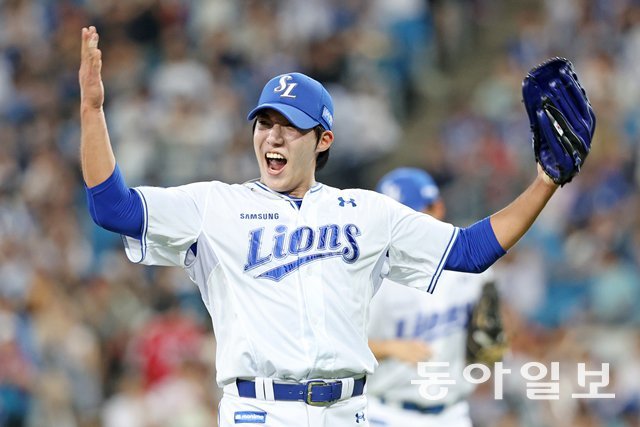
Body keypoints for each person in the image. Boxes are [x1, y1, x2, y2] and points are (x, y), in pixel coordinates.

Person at [79, 24, 563, 427]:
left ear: (322, 138)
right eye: (264, 123)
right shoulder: (214, 206)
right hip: (259, 411)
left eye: (288, 125)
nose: (273, 135)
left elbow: (468, 251)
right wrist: (93, 112)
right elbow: (113, 209)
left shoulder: (368, 212)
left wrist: (544, 182)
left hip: (349, 411)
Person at [367, 167, 500, 427]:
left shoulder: (473, 270)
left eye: (409, 217)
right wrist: (388, 347)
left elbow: (491, 336)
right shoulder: (371, 276)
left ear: (437, 209)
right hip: (385, 412)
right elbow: (336, 345)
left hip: (452, 413)